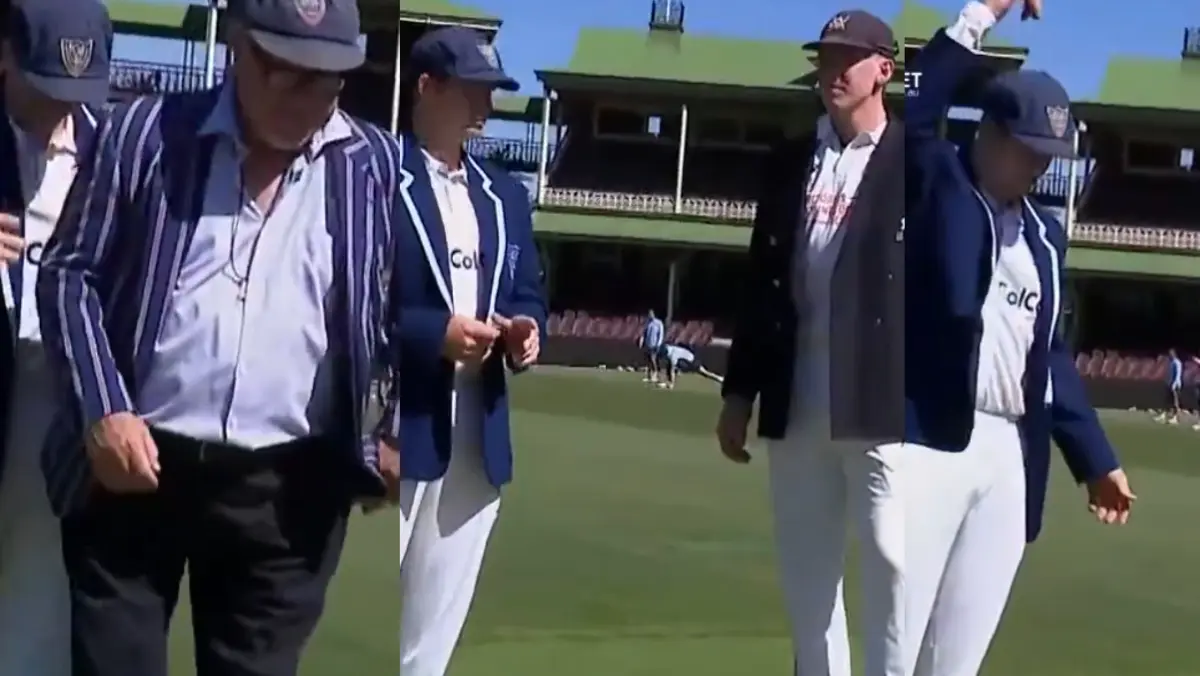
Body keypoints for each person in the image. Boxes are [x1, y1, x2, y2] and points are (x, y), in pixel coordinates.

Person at [34, 0, 405, 674]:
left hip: (288, 490)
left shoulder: (374, 165)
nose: (306, 97)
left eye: (326, 80)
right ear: (239, 47)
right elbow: (68, 274)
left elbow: (399, 313)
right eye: (287, 72)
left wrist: (396, 431)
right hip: (136, 470)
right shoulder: (145, 133)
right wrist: (102, 409)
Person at [904, 1, 1136, 673]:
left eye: (1051, 155)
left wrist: (1094, 457)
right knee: (899, 643)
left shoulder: (1045, 236)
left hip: (1012, 453)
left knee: (958, 658)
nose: (1040, 167)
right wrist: (983, 11)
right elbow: (920, 106)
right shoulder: (939, 182)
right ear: (990, 135)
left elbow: (1048, 356)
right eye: (1031, 150)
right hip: (932, 439)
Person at [713, 9, 905, 676]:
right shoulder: (792, 159)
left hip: (877, 398)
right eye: (825, 58)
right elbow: (761, 282)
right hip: (795, 393)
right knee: (807, 583)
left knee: (892, 567)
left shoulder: (912, 159)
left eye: (849, 58)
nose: (834, 70)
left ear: (885, 68)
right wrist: (739, 392)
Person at [394, 27, 547, 676]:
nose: (487, 105)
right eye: (474, 90)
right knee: (383, 616)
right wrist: (435, 335)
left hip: (478, 434)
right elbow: (340, 301)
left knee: (436, 627)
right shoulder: (376, 176)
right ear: (427, 87)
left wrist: (526, 331)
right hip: (395, 427)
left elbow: (529, 289)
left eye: (493, 91)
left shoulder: (506, 194)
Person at [0, 1, 110, 673]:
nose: (60, 114)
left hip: (60, 410)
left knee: (39, 617)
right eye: (47, 90)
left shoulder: (114, 149)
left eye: (78, 92)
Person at [655, 343, 723, 388]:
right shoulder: (668, 347)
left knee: (705, 373)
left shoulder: (673, 355)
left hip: (692, 362)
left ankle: (720, 379)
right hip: (689, 359)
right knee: (705, 373)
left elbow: (672, 369)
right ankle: (720, 379)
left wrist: (671, 384)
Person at [1157, 348, 1183, 424]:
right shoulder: (1171, 362)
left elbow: (1178, 374)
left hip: (1175, 385)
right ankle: (1164, 415)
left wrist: (1174, 384)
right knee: (1167, 400)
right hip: (1170, 383)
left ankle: (1176, 418)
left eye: (1171, 353)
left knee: (1175, 402)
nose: (1169, 355)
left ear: (1174, 354)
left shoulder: (1177, 362)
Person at [639, 309, 665, 382]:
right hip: (648, 344)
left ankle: (655, 374)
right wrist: (642, 341)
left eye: (651, 314)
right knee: (648, 360)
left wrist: (658, 344)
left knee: (653, 359)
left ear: (654, 314)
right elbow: (644, 333)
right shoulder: (647, 323)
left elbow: (660, 334)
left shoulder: (658, 323)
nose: (650, 315)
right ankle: (649, 375)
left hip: (655, 344)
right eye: (649, 314)